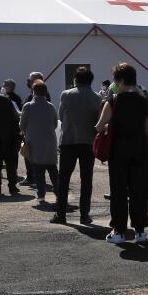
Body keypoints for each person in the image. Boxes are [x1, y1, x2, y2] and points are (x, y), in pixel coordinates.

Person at [96, 63, 148, 243]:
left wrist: (105, 126)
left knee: (118, 190)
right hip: (140, 149)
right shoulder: (145, 101)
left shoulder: (113, 100)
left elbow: (99, 126)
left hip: (118, 150)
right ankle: (140, 231)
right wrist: (147, 151)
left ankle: (119, 231)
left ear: (119, 81)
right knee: (138, 190)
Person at [53, 66, 100, 224]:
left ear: (75, 80)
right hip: (88, 142)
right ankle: (84, 215)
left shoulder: (66, 94)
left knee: (64, 178)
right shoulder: (96, 97)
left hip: (69, 141)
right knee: (86, 179)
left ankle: (61, 214)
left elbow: (60, 115)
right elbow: (98, 121)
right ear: (91, 81)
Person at [21, 81, 59, 202]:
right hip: (50, 141)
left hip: (34, 141)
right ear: (45, 92)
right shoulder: (51, 106)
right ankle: (59, 193)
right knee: (53, 169)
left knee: (38, 170)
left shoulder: (28, 106)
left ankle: (41, 195)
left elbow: (22, 125)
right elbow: (54, 123)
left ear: (33, 92)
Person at [19, 71, 45, 187]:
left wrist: (18, 113)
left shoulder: (35, 96)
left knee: (30, 155)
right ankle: (34, 177)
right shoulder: (40, 95)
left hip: (32, 131)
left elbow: (28, 114)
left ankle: (33, 178)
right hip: (37, 131)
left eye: (30, 80)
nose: (28, 82)